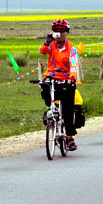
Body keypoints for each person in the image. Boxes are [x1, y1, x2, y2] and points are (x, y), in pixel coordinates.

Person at [39, 19, 80, 151]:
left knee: (68, 109)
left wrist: (72, 78)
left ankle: (69, 138)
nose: (59, 37)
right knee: (45, 88)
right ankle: (50, 109)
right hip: (51, 76)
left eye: (62, 33)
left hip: (66, 79)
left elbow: (74, 64)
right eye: (57, 33)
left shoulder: (71, 48)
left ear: (66, 34)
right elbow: (42, 51)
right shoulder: (51, 45)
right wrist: (47, 40)